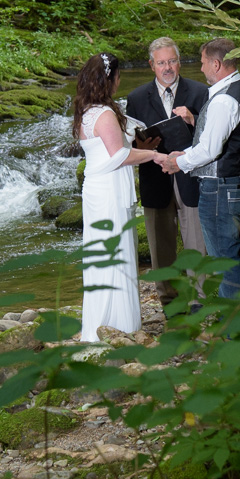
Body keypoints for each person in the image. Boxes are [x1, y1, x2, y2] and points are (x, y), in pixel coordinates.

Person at [158, 38, 240, 299]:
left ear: (216, 64)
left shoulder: (224, 101)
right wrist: (185, 153)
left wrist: (177, 162)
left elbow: (210, 150)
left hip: (221, 189)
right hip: (236, 182)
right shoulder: (239, 88)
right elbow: (212, 144)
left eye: (203, 63)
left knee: (224, 259)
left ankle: (234, 328)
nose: (201, 69)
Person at [72, 52, 161, 342]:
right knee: (117, 252)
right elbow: (120, 155)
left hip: (96, 189)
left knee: (101, 254)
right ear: (109, 79)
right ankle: (119, 325)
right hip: (109, 191)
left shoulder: (86, 111)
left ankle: (100, 324)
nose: (120, 80)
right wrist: (154, 154)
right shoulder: (106, 114)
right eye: (118, 76)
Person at [124, 37, 209, 306]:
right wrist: (141, 145)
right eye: (161, 63)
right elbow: (130, 143)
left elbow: (213, 139)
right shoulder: (136, 98)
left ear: (179, 62)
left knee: (197, 243)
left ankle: (200, 300)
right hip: (155, 179)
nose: (167, 67)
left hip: (191, 178)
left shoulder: (200, 92)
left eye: (172, 61)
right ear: (152, 65)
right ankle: (170, 302)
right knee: (160, 248)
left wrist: (193, 121)